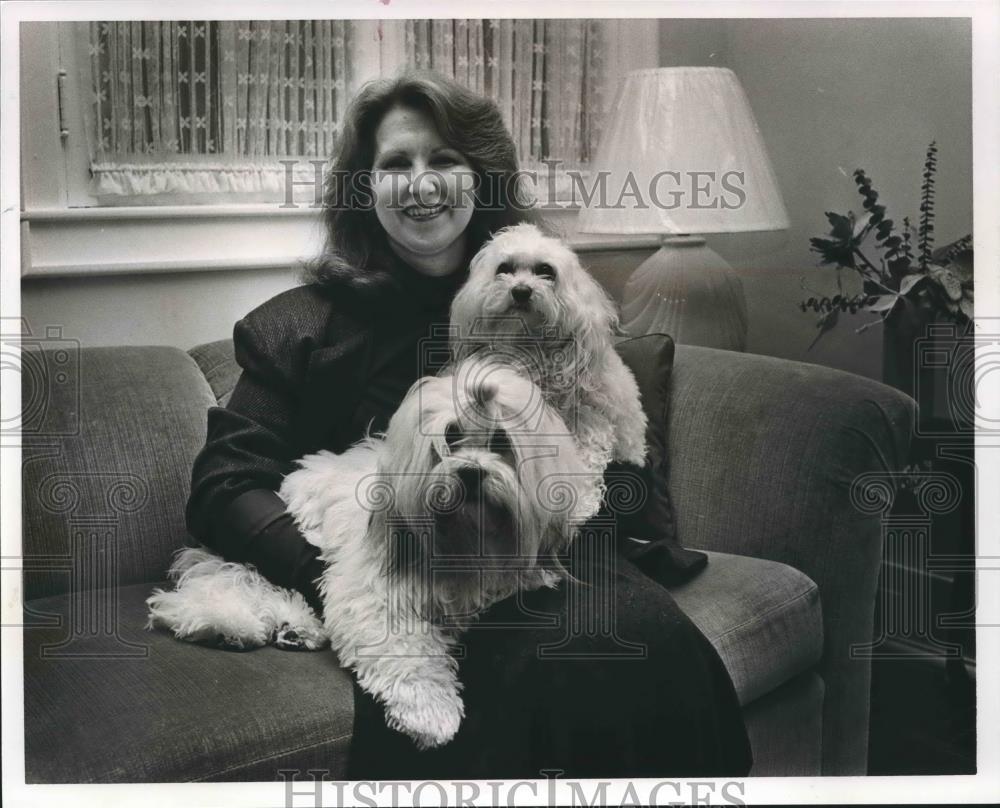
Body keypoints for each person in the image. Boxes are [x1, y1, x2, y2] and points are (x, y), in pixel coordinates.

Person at [186, 70, 752, 780]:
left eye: (444, 160)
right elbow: (223, 484)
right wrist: (328, 575)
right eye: (395, 164)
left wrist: (564, 523)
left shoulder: (542, 302)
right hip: (401, 572)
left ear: (480, 178)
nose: (421, 183)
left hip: (546, 561)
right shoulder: (296, 327)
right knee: (560, 662)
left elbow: (621, 457)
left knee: (642, 639)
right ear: (364, 190)